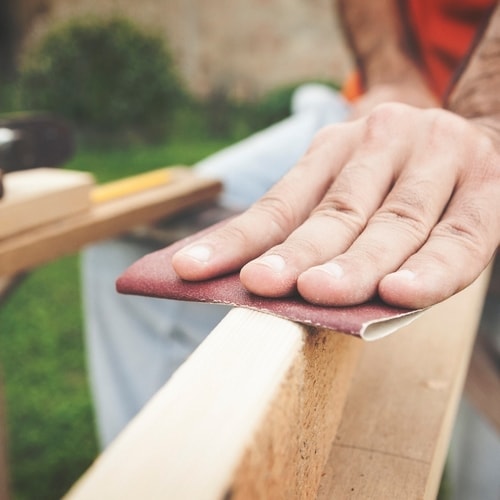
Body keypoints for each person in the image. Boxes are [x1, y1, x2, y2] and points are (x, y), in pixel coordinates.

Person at [82, 1, 500, 498]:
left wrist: (487, 124)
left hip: (487, 119)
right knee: (134, 238)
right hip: (375, 118)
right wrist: (390, 78)